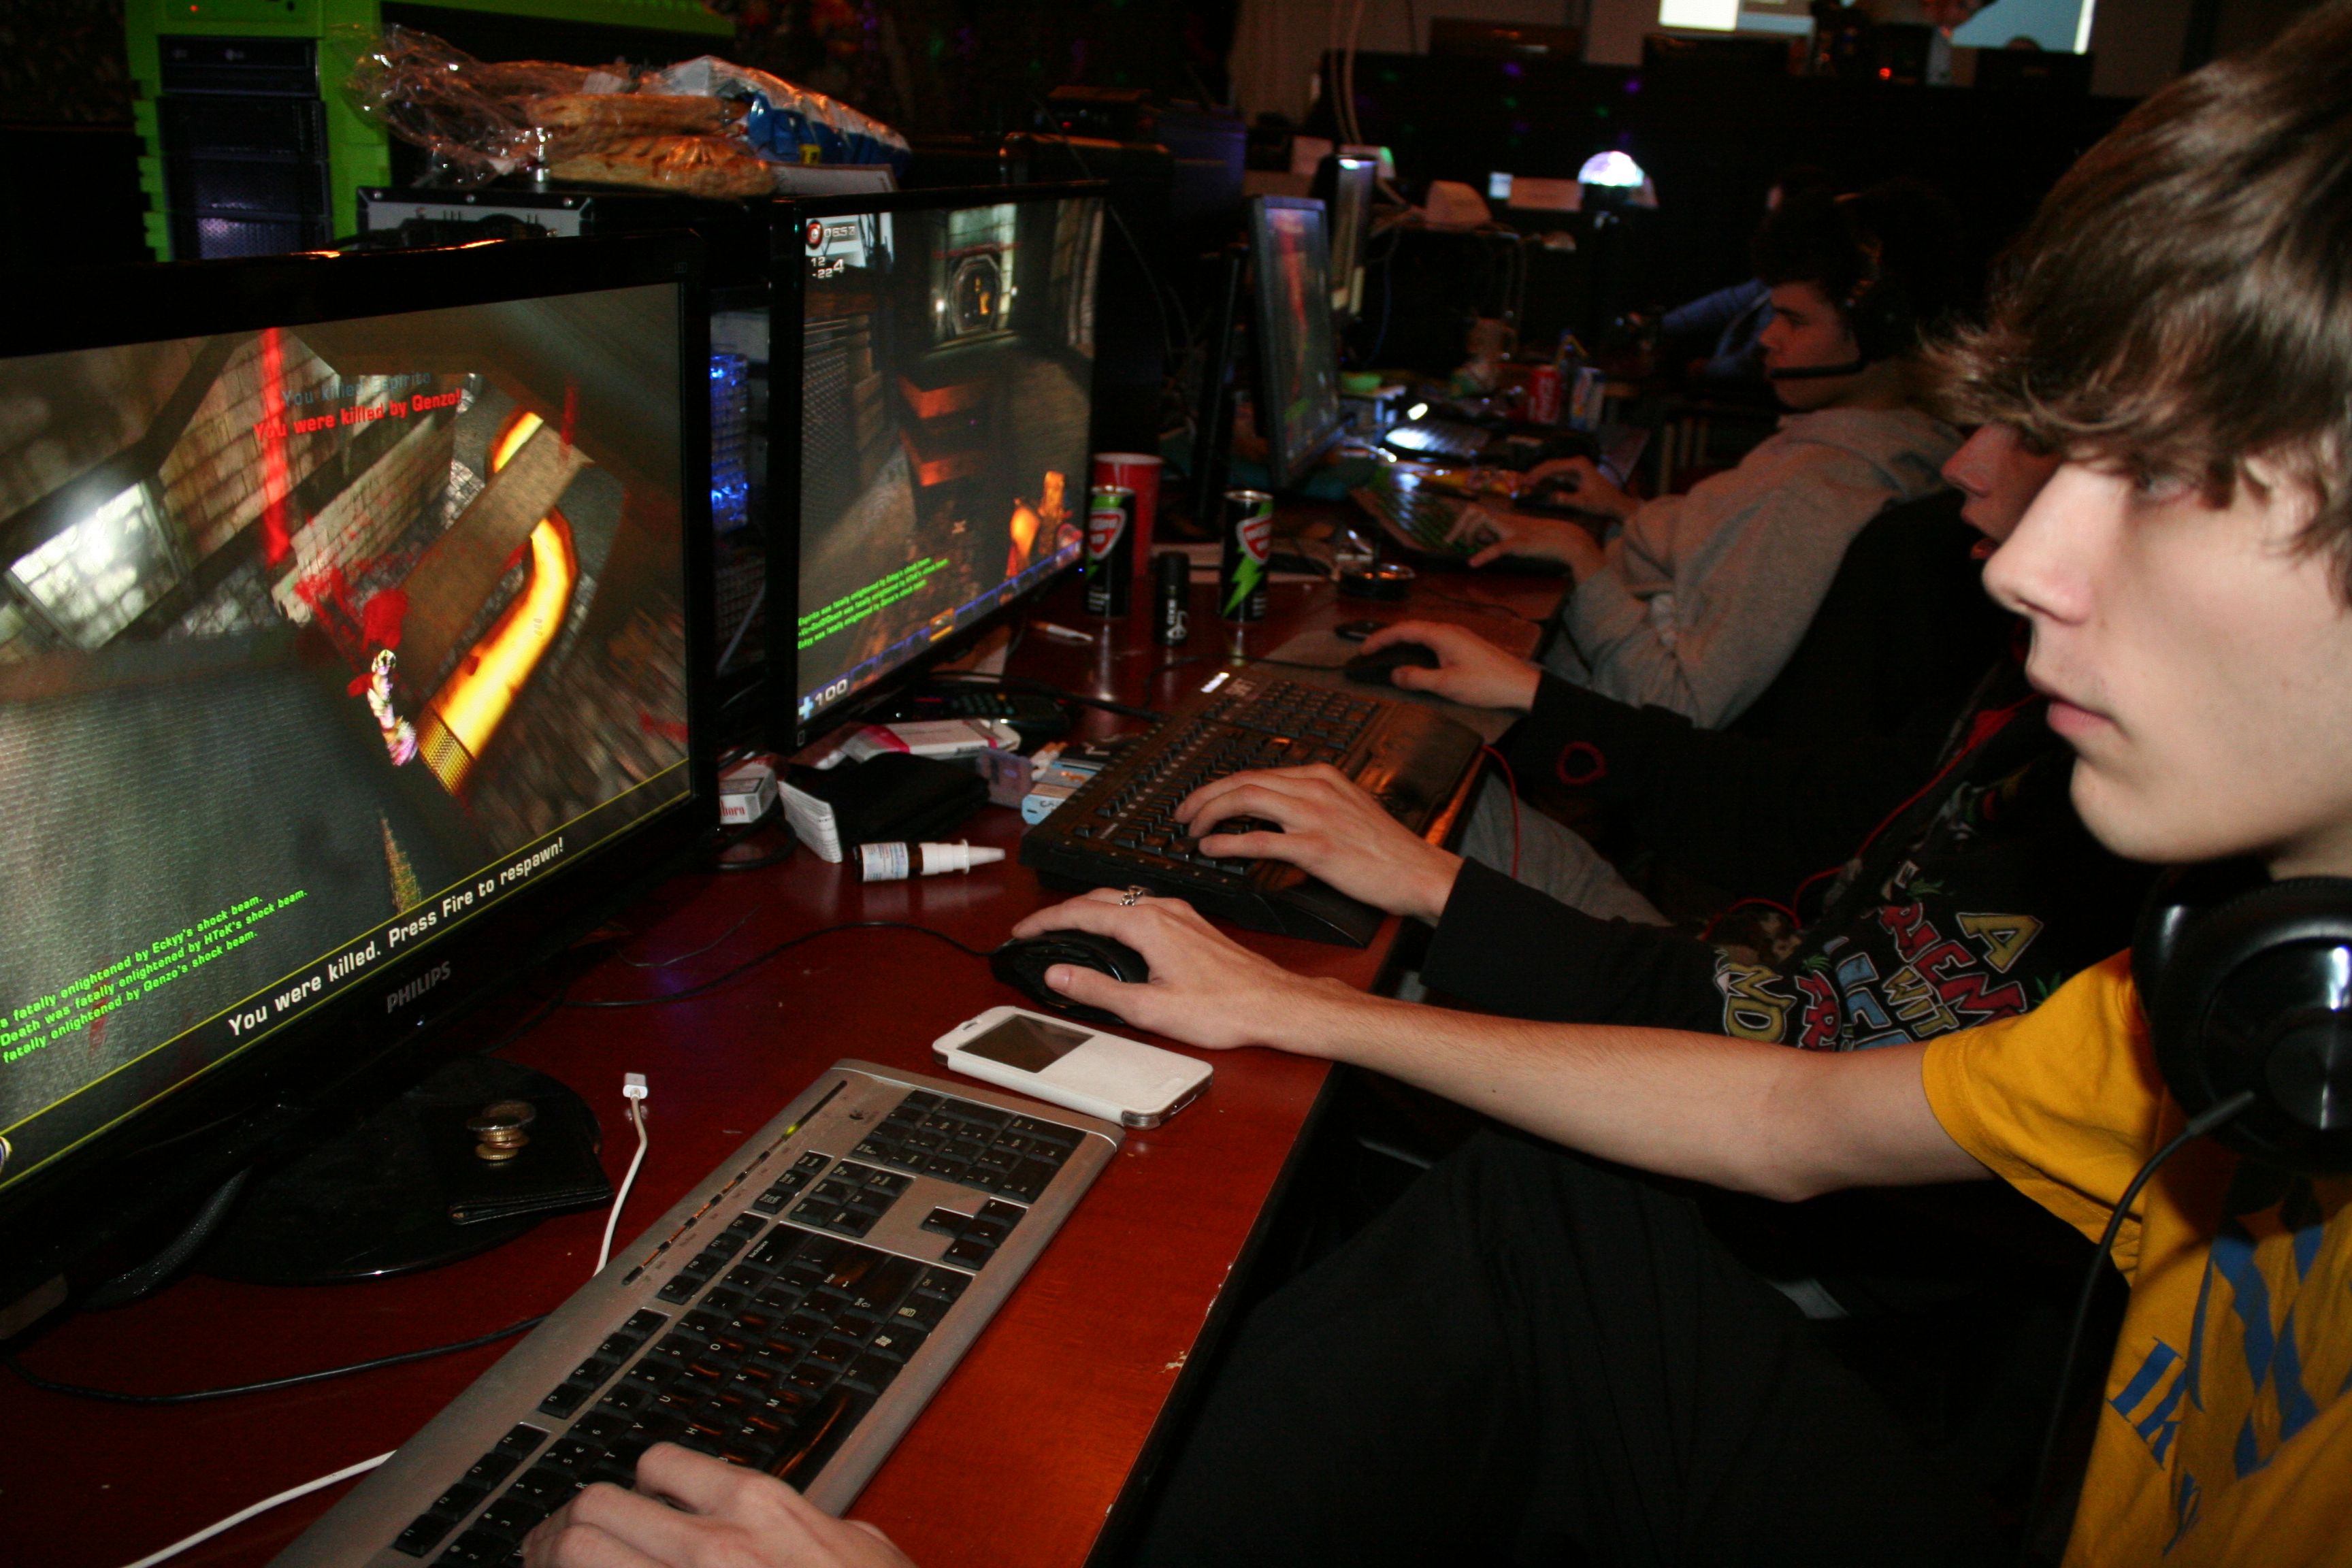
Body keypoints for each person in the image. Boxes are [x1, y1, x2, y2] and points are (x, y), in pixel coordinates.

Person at [523, 10, 2352, 1558]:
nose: (2023, 558)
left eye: (2163, 473)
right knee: (1545, 1219)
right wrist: (1302, 1010)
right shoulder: (2220, 1003)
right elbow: (1795, 1117)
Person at [1463, 180, 1966, 728]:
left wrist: (1580, 556)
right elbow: (1732, 542)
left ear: (1881, 332)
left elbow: (1677, 707)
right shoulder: (1878, 442)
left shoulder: (1811, 495)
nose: (1768, 337)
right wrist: (1622, 509)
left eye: (1795, 320)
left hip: (1574, 723)